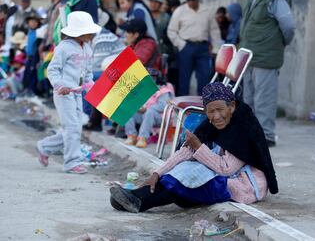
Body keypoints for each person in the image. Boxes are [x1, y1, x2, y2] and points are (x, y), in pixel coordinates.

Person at [109, 82, 278, 213]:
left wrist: (198, 147)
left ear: (232, 106)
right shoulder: (212, 123)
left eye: (220, 110)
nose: (216, 116)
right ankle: (136, 198)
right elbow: (186, 151)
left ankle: (139, 201)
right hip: (227, 177)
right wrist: (157, 173)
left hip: (244, 185)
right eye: (211, 111)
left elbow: (226, 168)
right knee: (181, 170)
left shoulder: (243, 128)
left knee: (186, 181)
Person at [37, 11, 101, 174]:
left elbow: (88, 71)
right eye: (89, 31)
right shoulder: (63, 48)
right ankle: (71, 162)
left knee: (74, 126)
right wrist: (59, 86)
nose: (92, 33)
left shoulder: (87, 48)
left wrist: (90, 84)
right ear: (80, 32)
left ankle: (44, 147)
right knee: (72, 127)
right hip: (63, 93)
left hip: (78, 93)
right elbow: (52, 69)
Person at [240, 0, 295, 147]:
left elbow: (289, 27)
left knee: (264, 98)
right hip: (249, 56)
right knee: (249, 98)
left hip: (266, 57)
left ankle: (266, 136)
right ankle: (251, 133)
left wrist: (278, 44)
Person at [107, 19, 162, 137]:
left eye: (127, 32)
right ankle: (117, 124)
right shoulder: (136, 44)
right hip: (140, 78)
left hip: (150, 81)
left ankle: (122, 128)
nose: (125, 35)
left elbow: (137, 62)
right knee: (109, 84)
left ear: (136, 34)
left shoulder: (147, 44)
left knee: (120, 89)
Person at [167, 0, 221, 95]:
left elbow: (214, 30)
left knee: (204, 77)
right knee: (184, 79)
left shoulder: (207, 10)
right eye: (188, 0)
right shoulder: (180, 11)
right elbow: (171, 31)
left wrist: (216, 48)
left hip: (203, 47)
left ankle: (203, 106)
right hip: (186, 47)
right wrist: (181, 45)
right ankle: (182, 107)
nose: (190, 2)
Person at [82, 27, 125, 131]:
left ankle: (92, 120)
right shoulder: (96, 36)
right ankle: (93, 120)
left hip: (121, 71)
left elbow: (97, 66)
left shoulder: (102, 38)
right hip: (113, 69)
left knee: (86, 85)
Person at [124, 68, 174, 148]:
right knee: (129, 109)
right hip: (145, 115)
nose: (150, 80)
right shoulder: (143, 89)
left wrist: (146, 108)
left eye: (152, 77)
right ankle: (131, 136)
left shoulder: (163, 90)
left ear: (158, 78)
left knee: (150, 112)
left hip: (160, 118)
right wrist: (137, 107)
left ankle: (142, 138)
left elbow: (163, 106)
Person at [22, 12, 42, 95]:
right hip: (29, 57)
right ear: (28, 23)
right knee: (27, 73)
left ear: (38, 23)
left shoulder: (39, 33)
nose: (33, 23)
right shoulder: (29, 32)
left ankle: (32, 90)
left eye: (35, 22)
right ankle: (26, 89)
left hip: (35, 56)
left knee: (33, 73)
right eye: (31, 21)